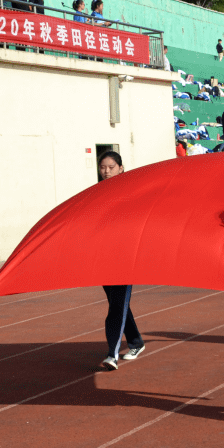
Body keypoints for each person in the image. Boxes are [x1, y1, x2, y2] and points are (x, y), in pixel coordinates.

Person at [97, 152, 145, 370]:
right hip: (104, 257)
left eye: (111, 167)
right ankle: (135, 342)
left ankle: (112, 354)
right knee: (117, 303)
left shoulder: (130, 191)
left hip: (125, 259)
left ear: (121, 168)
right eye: (103, 167)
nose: (106, 171)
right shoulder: (96, 193)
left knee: (117, 306)